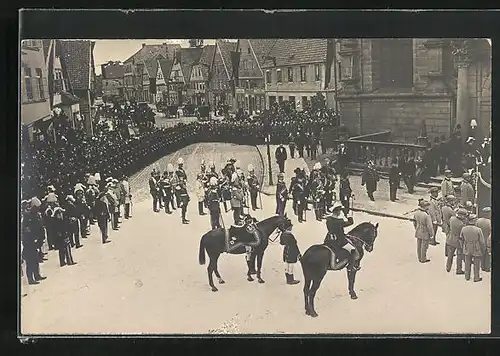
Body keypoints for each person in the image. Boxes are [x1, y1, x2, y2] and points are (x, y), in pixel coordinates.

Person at [324, 202, 359, 271]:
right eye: (340, 211)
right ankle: (350, 267)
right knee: (352, 250)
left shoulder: (328, 220)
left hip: (329, 239)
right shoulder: (339, 221)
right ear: (337, 211)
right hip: (339, 241)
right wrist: (347, 214)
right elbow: (351, 222)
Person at [21, 197, 46, 284]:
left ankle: (37, 275)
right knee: (30, 261)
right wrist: (32, 238)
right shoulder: (27, 215)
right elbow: (26, 229)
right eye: (36, 207)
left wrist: (40, 237)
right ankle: (30, 279)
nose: (38, 209)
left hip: (35, 240)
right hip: (29, 241)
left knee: (35, 259)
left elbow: (39, 226)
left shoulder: (36, 215)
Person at [460, 213, 487, 282]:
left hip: (467, 246)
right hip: (476, 248)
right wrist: (483, 250)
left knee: (467, 263)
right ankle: (476, 277)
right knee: (476, 264)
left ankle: (467, 276)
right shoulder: (478, 230)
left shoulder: (463, 228)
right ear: (474, 220)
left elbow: (461, 239)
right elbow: (482, 242)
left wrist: (462, 246)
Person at [446, 208, 467, 274]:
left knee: (450, 254)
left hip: (450, 238)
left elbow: (448, 225)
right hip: (458, 241)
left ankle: (448, 267)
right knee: (459, 256)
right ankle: (458, 270)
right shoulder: (461, 224)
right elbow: (463, 234)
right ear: (462, 216)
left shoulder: (452, 219)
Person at [475, 207, 491, 272]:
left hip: (480, 240)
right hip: (487, 240)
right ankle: (487, 267)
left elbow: (476, 230)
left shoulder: (478, 221)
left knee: (481, 254)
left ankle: (482, 266)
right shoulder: (489, 222)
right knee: (487, 254)